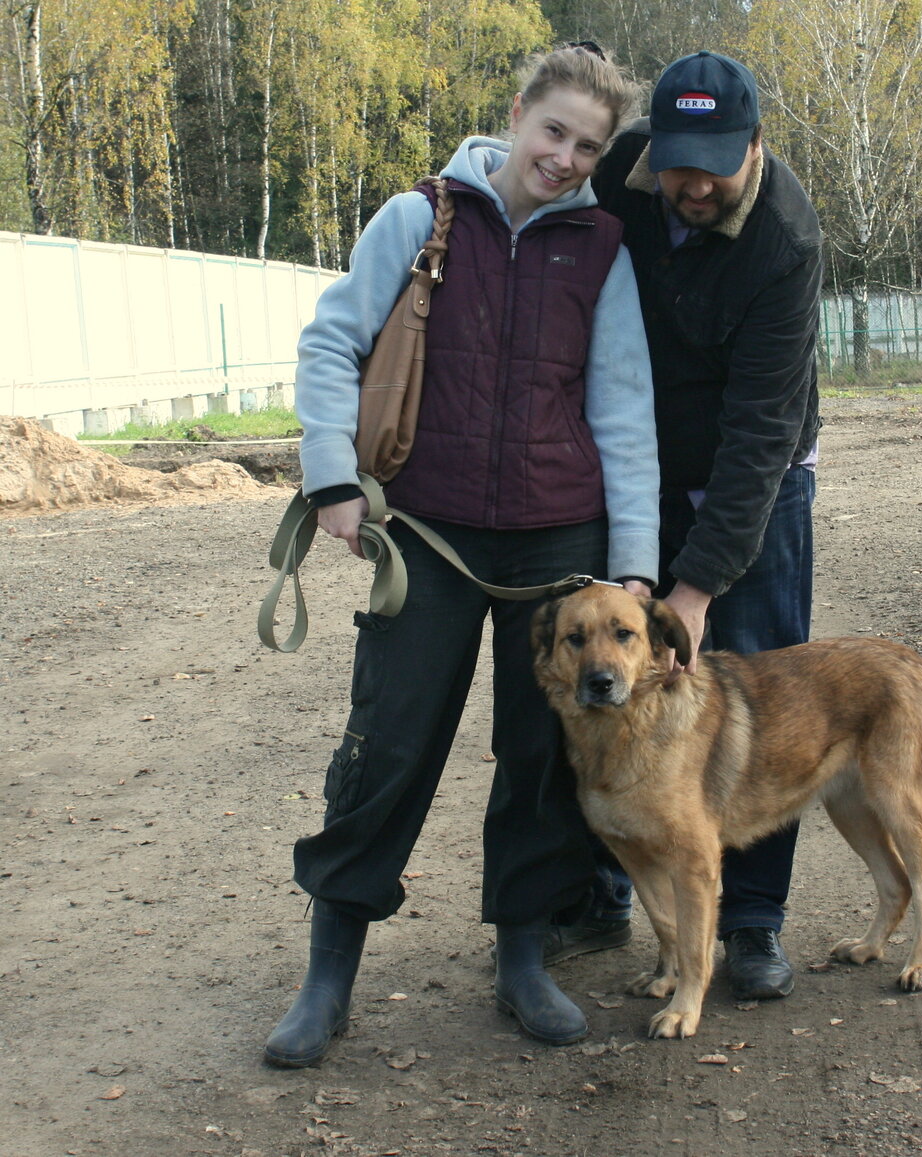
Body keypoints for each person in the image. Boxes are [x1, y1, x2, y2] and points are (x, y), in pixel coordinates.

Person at [263, 45, 659, 1066]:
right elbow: (330, 344)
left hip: (560, 541)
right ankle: (329, 970)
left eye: (589, 145)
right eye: (555, 131)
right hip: (427, 533)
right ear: (519, 115)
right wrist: (331, 479)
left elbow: (623, 413)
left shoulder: (603, 248)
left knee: (541, 756)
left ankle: (524, 958)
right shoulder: (419, 216)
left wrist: (634, 570)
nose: (566, 157)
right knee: (388, 744)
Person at [549, 51, 823, 1002]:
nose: (692, 183)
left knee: (760, 691)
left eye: (714, 161)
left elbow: (761, 436)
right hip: (638, 466)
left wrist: (696, 590)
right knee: (606, 673)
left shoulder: (783, 239)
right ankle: (606, 891)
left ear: (754, 145)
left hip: (757, 472)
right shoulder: (625, 170)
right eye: (677, 162)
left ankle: (750, 923)